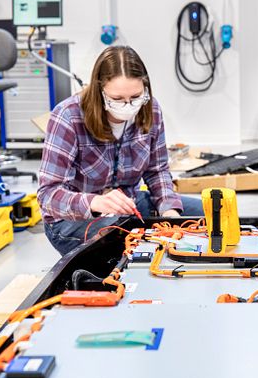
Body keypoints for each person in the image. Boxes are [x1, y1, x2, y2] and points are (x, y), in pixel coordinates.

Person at [38, 46, 203, 255]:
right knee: (124, 233)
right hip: (72, 220)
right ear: (100, 91)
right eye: (117, 99)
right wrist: (96, 202)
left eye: (135, 96)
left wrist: (168, 211)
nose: (128, 105)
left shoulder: (150, 109)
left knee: (203, 215)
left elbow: (157, 171)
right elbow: (48, 195)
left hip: (129, 207)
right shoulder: (68, 116)